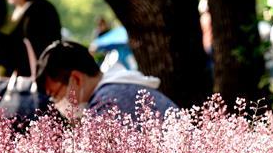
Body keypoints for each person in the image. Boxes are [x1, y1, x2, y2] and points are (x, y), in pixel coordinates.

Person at [36, 40, 177, 120]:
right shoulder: (120, 87)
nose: (55, 104)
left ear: (76, 79)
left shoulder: (106, 105)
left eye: (55, 95)